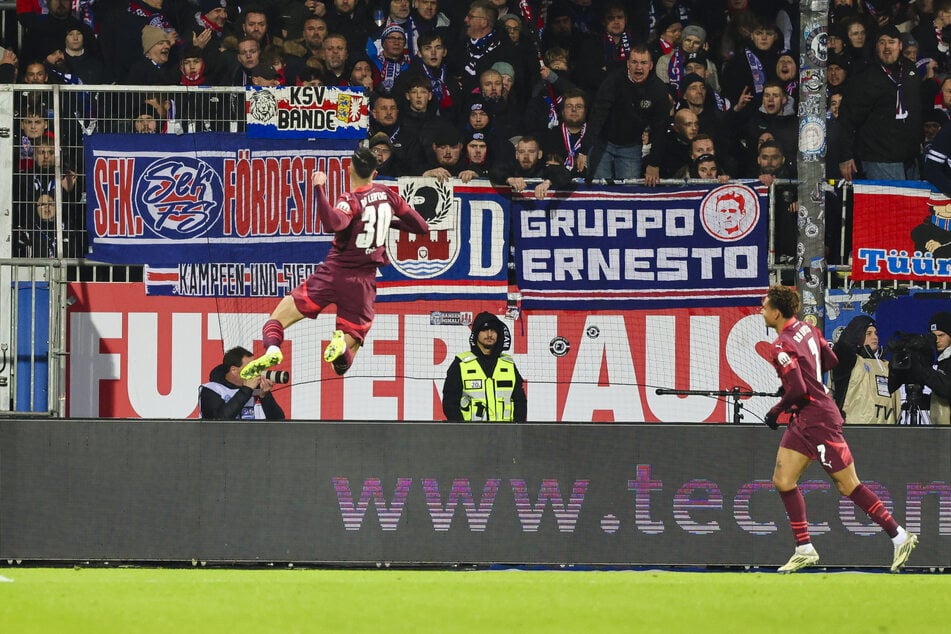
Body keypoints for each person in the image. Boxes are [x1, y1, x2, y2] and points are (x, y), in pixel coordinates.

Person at [758, 285, 918, 573]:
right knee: (783, 480)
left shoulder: (781, 344)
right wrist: (805, 381)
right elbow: (830, 361)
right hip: (804, 418)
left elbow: (796, 389)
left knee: (848, 485)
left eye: (764, 306)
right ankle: (804, 548)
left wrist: (774, 411)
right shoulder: (809, 331)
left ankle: (900, 536)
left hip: (817, 419)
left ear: (776, 312)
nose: (761, 310)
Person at [240, 143, 429, 379]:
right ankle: (340, 346)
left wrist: (319, 188)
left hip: (331, 274)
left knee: (277, 318)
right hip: (362, 284)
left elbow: (334, 223)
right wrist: (388, 220)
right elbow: (422, 227)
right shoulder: (388, 196)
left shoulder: (349, 200)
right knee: (341, 367)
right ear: (375, 173)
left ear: (349, 168)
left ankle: (273, 349)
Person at [442, 311, 526, 422]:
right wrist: (462, 430)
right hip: (471, 435)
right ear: (476, 333)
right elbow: (450, 403)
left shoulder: (509, 364)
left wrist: (515, 431)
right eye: (484, 330)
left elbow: (520, 402)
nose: (489, 334)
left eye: (493, 330)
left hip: (506, 435)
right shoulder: (461, 364)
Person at [832, 315, 902, 424]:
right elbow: (842, 347)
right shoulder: (851, 362)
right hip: (857, 430)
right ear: (857, 335)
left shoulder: (886, 365)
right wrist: (860, 323)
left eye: (876, 333)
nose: (875, 337)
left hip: (888, 431)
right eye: (868, 334)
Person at [888, 311, 951, 425]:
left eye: (941, 335)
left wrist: (922, 370)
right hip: (942, 431)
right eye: (933, 336)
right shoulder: (943, 360)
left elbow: (946, 389)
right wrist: (919, 400)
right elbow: (941, 400)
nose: (937, 340)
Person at [199, 346, 286, 420]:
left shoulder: (254, 390)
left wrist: (265, 395)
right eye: (250, 367)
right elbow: (217, 421)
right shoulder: (212, 389)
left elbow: (278, 423)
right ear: (233, 370)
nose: (254, 371)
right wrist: (246, 390)